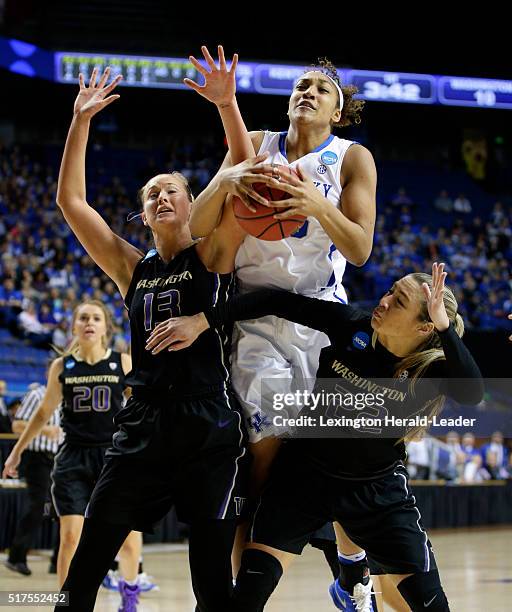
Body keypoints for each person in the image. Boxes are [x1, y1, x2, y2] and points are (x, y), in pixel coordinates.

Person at [6, 63, 248, 612]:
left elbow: (245, 166)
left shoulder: (211, 254)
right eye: (152, 194)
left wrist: (226, 104)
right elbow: (72, 203)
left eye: (173, 190)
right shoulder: (130, 267)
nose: (162, 197)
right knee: (87, 562)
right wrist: (79, 121)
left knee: (211, 578)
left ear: (192, 205)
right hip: (141, 426)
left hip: (206, 423)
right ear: (142, 214)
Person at [146, 262, 484, 611]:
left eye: (398, 302)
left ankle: (352, 576)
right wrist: (203, 320)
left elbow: (473, 392)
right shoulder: (351, 325)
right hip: (303, 479)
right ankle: (351, 576)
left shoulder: (429, 369)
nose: (383, 301)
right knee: (246, 599)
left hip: (376, 493)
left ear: (425, 326)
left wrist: (444, 327)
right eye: (389, 291)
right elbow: (275, 301)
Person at [185, 48, 378, 606]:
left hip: (323, 320)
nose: (307, 92)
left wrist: (317, 205)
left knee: (343, 457)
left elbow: (360, 249)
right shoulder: (258, 144)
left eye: (322, 88)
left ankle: (352, 569)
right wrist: (228, 182)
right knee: (263, 462)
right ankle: (246, 594)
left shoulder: (351, 158)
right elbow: (199, 226)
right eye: (301, 85)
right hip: (257, 320)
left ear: (338, 112)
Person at [3, 300, 142, 611]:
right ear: (74, 326)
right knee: (69, 538)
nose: (89, 322)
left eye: (95, 318)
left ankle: (129, 593)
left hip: (114, 458)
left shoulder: (123, 363)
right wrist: (16, 452)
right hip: (72, 460)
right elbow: (41, 414)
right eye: (83, 318)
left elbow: (143, 407)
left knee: (127, 539)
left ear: (106, 327)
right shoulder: (61, 367)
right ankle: (66, 604)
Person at [5, 379, 62, 576]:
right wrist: (45, 429)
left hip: (60, 458)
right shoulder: (37, 394)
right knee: (37, 506)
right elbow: (17, 425)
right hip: (37, 458)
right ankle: (16, 556)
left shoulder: (69, 394)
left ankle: (59, 561)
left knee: (65, 511)